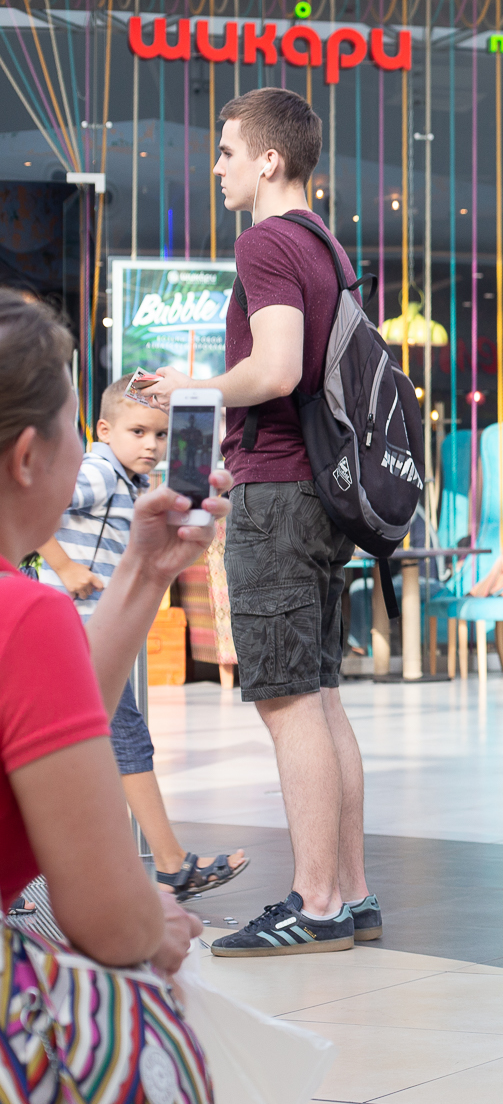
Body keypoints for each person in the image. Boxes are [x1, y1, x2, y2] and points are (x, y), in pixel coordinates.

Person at [142, 86, 378, 954]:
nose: (218, 167)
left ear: (269, 159)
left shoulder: (266, 241)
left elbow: (275, 370)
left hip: (277, 490)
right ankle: (351, 894)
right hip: (324, 492)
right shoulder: (326, 246)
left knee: (287, 702)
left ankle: (315, 902)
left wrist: (193, 387)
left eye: (228, 151)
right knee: (321, 695)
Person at [0, 294, 225, 1091]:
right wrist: (151, 920)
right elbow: (109, 918)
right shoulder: (26, 616)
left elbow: (40, 714)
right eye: (74, 426)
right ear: (29, 455)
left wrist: (143, 570)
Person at [35, 372, 249, 899]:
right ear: (104, 431)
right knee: (123, 741)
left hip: (87, 634)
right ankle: (171, 865)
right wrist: (66, 568)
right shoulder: (100, 471)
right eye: (138, 432)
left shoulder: (131, 483)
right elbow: (40, 505)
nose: (151, 445)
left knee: (81, 748)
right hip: (78, 633)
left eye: (161, 435)